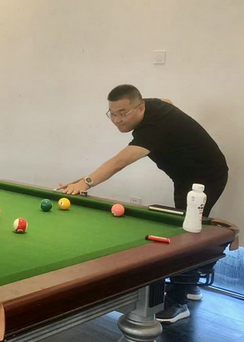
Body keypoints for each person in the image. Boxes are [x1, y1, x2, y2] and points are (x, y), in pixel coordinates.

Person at [60, 84, 228, 323]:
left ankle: (179, 302)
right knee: (187, 228)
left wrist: (86, 182)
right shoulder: (150, 105)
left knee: (188, 233)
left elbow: (119, 162)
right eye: (112, 113)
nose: (117, 120)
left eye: (123, 113)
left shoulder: (153, 129)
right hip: (185, 177)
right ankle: (190, 287)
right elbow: (166, 101)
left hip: (205, 178)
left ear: (140, 108)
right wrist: (81, 181)